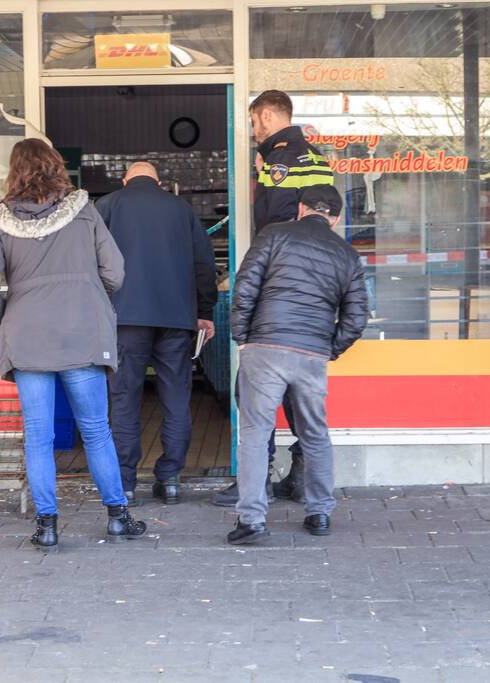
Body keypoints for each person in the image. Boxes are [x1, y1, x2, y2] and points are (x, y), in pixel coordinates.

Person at [0, 138, 146, 551]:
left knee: (38, 436)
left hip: (28, 338)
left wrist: (11, 315)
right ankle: (117, 516)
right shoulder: (83, 211)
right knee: (97, 431)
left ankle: (47, 525)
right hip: (82, 334)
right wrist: (87, 297)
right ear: (54, 166)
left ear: (14, 171)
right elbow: (116, 272)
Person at [212, 89, 335, 509]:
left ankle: (258, 481)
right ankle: (302, 479)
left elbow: (272, 225)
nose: (252, 130)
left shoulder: (279, 160)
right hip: (314, 290)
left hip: (279, 284)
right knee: (302, 396)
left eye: (252, 122)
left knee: (253, 391)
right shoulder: (317, 156)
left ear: (265, 115)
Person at [226, 185, 368, 545]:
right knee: (315, 433)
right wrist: (328, 349)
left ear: (301, 208)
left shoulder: (273, 235)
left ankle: (252, 520)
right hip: (311, 353)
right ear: (335, 218)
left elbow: (245, 288)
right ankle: (319, 513)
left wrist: (243, 337)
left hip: (265, 345)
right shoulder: (346, 254)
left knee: (256, 434)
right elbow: (356, 317)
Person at [96, 162, 218, 505]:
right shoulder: (181, 209)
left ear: (125, 181)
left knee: (124, 399)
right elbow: (203, 264)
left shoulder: (107, 206)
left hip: (124, 320)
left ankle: (125, 483)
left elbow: (91, 262)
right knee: (177, 398)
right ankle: (170, 478)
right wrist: (204, 312)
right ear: (159, 182)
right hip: (176, 320)